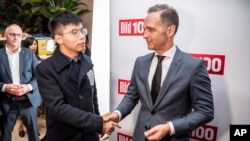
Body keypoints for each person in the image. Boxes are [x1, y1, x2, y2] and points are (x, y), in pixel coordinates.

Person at [107, 4, 214, 141]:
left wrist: (170, 127)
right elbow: (131, 96)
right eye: (144, 29)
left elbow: (205, 111)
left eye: (150, 30)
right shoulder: (140, 62)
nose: (144, 35)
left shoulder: (193, 66)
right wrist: (117, 114)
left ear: (170, 30)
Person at [35, 11, 120, 141]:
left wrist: (97, 126)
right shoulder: (45, 69)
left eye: (82, 31)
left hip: (89, 135)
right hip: (63, 136)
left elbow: (92, 96)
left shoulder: (87, 60)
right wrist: (98, 122)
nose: (81, 37)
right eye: (74, 32)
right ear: (58, 38)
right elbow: (58, 108)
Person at [0, 24, 42, 141]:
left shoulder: (29, 54)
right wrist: (4, 87)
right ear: (5, 36)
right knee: (5, 135)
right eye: (12, 34)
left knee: (33, 134)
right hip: (7, 102)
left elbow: (40, 76)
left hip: (27, 100)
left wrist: (28, 87)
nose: (15, 37)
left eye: (18, 35)